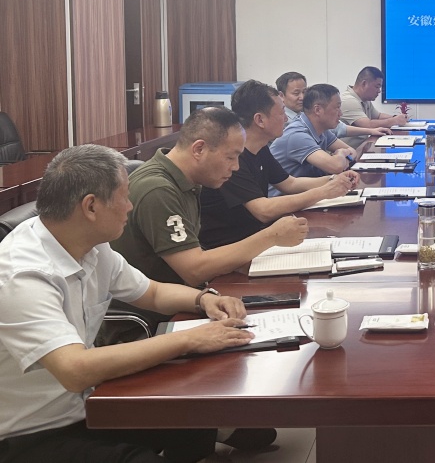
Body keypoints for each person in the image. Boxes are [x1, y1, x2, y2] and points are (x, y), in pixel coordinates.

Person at [0, 144, 275, 462]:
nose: (130, 206)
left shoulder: (89, 243)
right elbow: (74, 369)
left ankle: (204, 435)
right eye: (124, 197)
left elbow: (153, 293)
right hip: (32, 433)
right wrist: (189, 339)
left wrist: (205, 299)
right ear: (91, 207)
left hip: (89, 405)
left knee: (193, 404)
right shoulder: (23, 274)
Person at [112, 108, 308, 289]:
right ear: (199, 149)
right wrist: (272, 236)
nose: (236, 167)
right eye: (230, 157)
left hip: (190, 295)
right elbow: (194, 271)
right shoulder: (158, 190)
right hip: (160, 310)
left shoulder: (188, 179)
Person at [200, 80, 361, 249]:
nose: (285, 119)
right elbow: (263, 210)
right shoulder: (232, 157)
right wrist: (324, 192)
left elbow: (290, 183)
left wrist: (335, 180)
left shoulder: (260, 148)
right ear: (260, 120)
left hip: (255, 237)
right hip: (232, 247)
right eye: (282, 112)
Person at [271, 84, 367, 177]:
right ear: (318, 110)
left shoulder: (322, 130)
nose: (340, 114)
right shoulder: (297, 135)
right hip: (287, 189)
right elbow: (336, 167)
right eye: (337, 108)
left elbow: (352, 152)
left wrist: (340, 157)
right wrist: (341, 153)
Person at [339, 66, 408, 149]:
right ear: (364, 84)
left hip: (361, 147)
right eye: (377, 86)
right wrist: (394, 121)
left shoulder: (364, 99)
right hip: (348, 151)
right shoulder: (349, 101)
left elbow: (378, 116)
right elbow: (367, 125)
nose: (379, 91)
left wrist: (396, 117)